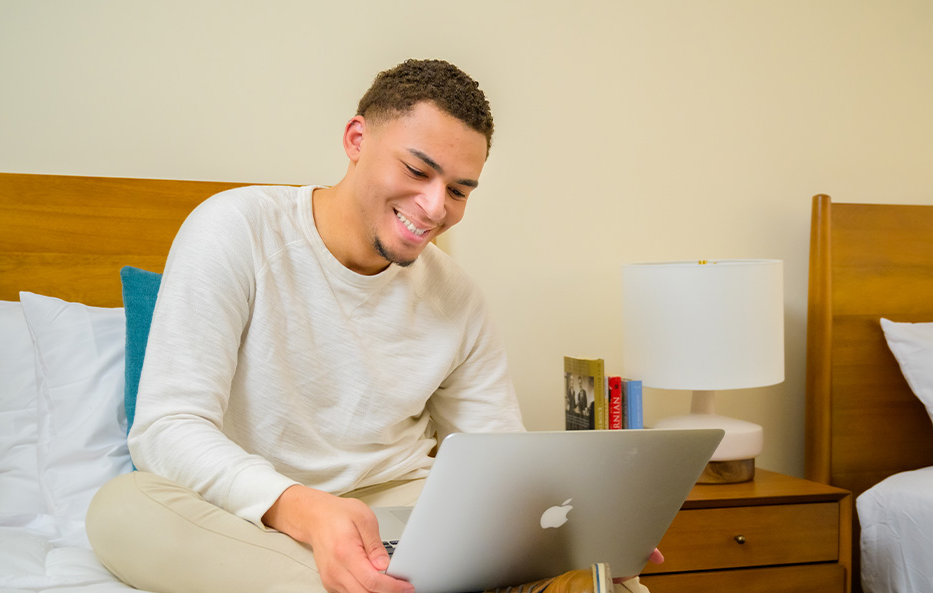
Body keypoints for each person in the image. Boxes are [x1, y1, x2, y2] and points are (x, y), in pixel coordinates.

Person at [86, 58, 655, 593]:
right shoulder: (236, 228)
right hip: (251, 510)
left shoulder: (458, 298)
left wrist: (577, 523)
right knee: (122, 509)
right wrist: (303, 509)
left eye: (459, 191)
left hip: (397, 503)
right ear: (357, 139)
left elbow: (495, 458)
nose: (435, 207)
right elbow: (167, 428)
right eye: (417, 170)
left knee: (592, 563)